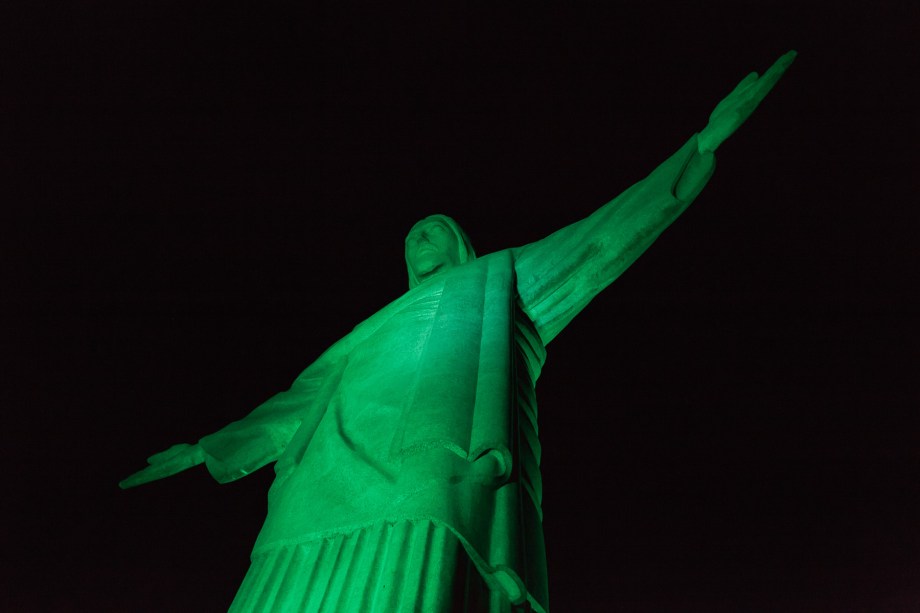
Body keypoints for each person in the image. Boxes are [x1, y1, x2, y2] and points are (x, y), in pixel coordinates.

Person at [121, 51, 796, 612]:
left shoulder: (496, 286)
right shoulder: (367, 331)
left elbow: (596, 243)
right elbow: (296, 402)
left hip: (432, 473)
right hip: (318, 490)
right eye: (411, 236)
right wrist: (209, 447)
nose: (419, 241)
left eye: (432, 231)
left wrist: (699, 148)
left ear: (461, 243)